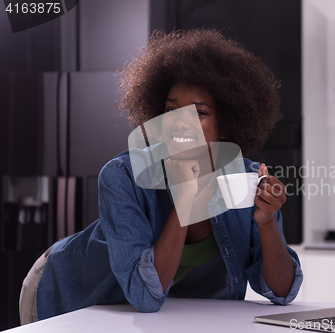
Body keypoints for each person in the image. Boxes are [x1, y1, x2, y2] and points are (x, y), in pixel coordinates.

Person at [18, 28, 303, 325]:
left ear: (227, 125)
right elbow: (144, 295)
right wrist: (185, 201)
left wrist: (267, 222)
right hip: (69, 296)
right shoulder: (122, 176)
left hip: (167, 318)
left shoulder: (244, 178)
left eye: (199, 112)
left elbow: (282, 292)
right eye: (171, 111)